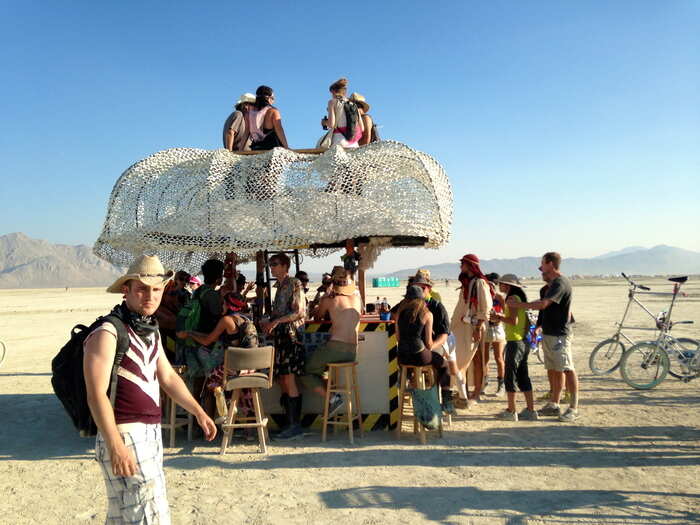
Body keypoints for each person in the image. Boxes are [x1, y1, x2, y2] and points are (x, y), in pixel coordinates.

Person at [83, 255, 216, 524]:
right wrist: (115, 444)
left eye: (156, 289)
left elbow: (167, 376)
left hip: (150, 434)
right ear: (127, 290)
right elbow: (95, 394)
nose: (150, 296)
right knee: (149, 516)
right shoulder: (108, 332)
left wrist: (198, 411)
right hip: (123, 434)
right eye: (142, 288)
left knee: (124, 517)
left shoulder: (149, 330)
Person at [506, 252, 579, 422]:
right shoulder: (549, 287)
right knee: (553, 368)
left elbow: (543, 305)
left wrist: (518, 305)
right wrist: (539, 327)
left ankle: (574, 407)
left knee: (567, 368)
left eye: (543, 266)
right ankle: (554, 403)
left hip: (560, 334)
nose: (541, 271)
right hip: (549, 332)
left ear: (551, 264)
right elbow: (545, 310)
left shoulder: (561, 283)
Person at [182, 293, 259, 424]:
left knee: (210, 382)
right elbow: (214, 336)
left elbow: (207, 341)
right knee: (231, 385)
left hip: (236, 368)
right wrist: (195, 333)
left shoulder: (226, 320)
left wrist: (189, 333)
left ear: (229, 305)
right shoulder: (245, 319)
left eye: (223, 303)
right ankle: (247, 427)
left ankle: (221, 414)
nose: (221, 306)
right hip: (251, 367)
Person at [302, 266, 362, 416]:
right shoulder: (356, 299)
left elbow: (317, 317)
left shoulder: (329, 299)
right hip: (352, 352)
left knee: (305, 372)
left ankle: (332, 397)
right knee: (321, 368)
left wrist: (320, 303)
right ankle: (330, 392)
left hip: (335, 349)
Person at [260, 253, 307, 440]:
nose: (272, 267)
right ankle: (290, 423)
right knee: (283, 379)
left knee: (288, 379)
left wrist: (276, 321)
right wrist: (270, 321)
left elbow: (299, 312)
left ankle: (295, 425)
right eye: (270, 264)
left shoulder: (294, 283)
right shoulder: (280, 286)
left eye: (275, 264)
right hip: (282, 337)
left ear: (285, 265)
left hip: (291, 338)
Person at [395, 285, 451, 410]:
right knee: (444, 365)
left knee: (409, 367)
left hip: (402, 357)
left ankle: (409, 382)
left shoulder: (400, 313)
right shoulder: (427, 314)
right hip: (419, 355)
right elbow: (429, 344)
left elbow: (398, 338)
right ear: (422, 299)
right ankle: (447, 401)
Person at [491, 274, 537, 421]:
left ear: (508, 286)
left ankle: (511, 411)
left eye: (502, 284)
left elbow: (513, 320)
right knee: (524, 375)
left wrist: (498, 317)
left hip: (514, 342)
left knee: (510, 377)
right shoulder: (519, 299)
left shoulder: (512, 299)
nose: (500, 285)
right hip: (524, 341)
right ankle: (531, 410)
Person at [450, 255, 493, 407]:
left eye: (463, 263)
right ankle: (465, 392)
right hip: (462, 327)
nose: (460, 266)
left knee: (477, 358)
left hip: (475, 326)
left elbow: (485, 307)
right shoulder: (467, 283)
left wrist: (478, 327)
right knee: (462, 358)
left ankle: (476, 394)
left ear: (469, 265)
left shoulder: (480, 283)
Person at [410, 273, 454, 413]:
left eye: (422, 288)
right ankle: (420, 396)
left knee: (442, 365)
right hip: (416, 348)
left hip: (433, 345)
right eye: (416, 288)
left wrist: (432, 347)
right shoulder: (408, 305)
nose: (419, 291)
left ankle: (446, 399)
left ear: (428, 288)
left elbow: (444, 334)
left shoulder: (437, 306)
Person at [155, 270, 191, 360]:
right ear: (176, 279)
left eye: (186, 280)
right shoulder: (168, 287)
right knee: (162, 345)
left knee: (175, 347)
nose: (183, 282)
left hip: (174, 324)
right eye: (181, 279)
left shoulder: (186, 295)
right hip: (161, 322)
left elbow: (185, 311)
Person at [482, 272, 506, 396]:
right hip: (486, 328)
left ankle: (501, 385)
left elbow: (507, 313)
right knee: (485, 358)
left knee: (499, 358)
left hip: (497, 327)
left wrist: (499, 317)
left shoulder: (499, 297)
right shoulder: (485, 297)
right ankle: (484, 383)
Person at [323, 78, 364, 148]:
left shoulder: (332, 102)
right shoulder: (353, 105)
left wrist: (324, 123)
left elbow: (331, 125)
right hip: (354, 143)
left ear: (333, 92)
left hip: (339, 141)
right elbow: (362, 128)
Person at [247, 85, 289, 150]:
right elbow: (279, 130)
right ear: (268, 98)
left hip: (256, 148)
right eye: (273, 98)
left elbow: (246, 133)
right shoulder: (273, 111)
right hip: (272, 149)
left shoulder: (249, 113)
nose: (273, 101)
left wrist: (241, 149)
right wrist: (286, 147)